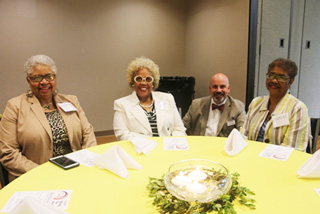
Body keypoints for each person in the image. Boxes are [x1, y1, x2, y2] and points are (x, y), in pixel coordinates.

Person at [0, 54, 97, 182]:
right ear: (28, 80)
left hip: (76, 171)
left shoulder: (71, 101)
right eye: (37, 77)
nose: (44, 82)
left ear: (55, 78)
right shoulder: (14, 107)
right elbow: (8, 153)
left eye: (48, 76)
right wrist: (44, 173)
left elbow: (88, 134)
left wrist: (86, 162)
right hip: (37, 177)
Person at [241, 58, 309, 152]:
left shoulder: (297, 108)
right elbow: (243, 135)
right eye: (271, 75)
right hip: (251, 158)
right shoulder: (256, 103)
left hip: (281, 163)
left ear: (291, 81)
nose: (274, 81)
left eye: (281, 77)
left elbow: (292, 149)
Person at [113, 56, 186, 140]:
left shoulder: (167, 98)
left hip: (168, 149)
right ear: (132, 82)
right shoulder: (121, 104)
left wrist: (171, 144)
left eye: (148, 79)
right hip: (139, 150)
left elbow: (179, 129)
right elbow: (122, 135)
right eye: (139, 79)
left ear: (153, 83)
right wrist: (151, 144)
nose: (143, 83)